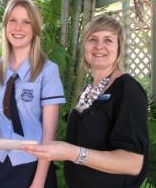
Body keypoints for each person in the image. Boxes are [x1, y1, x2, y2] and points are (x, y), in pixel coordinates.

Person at [23, 15, 149, 188]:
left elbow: (132, 163)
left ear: (119, 47)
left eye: (108, 40)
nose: (99, 46)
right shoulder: (89, 89)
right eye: (92, 39)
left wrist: (72, 153)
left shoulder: (128, 90)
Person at [0, 0, 66, 188]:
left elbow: (49, 133)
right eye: (13, 20)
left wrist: (39, 181)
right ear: (5, 25)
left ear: (35, 29)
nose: (18, 28)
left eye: (26, 22)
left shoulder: (48, 71)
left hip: (32, 165)